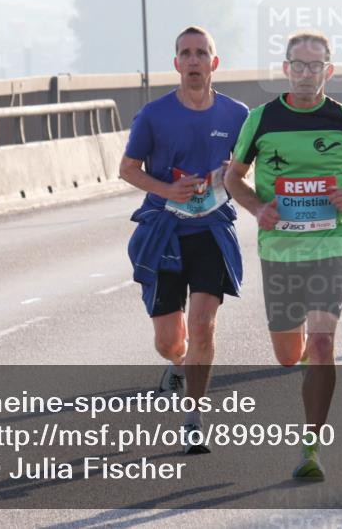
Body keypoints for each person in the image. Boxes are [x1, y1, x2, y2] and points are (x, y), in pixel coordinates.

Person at [224, 31, 342, 480]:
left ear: (329, 71)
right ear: (286, 68)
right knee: (286, 355)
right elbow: (233, 177)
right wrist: (258, 208)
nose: (307, 73)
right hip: (278, 250)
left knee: (322, 344)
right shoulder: (261, 119)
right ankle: (299, 374)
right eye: (299, 64)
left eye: (316, 66)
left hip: (329, 245)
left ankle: (310, 447)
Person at [120, 26, 249, 454]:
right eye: (185, 54)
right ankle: (178, 364)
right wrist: (166, 190)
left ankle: (194, 417)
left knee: (203, 324)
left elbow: (251, 169)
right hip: (165, 232)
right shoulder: (154, 115)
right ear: (176, 64)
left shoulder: (237, 115)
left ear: (215, 63)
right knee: (169, 340)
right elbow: (128, 168)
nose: (193, 60)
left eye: (201, 53)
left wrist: (235, 173)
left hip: (211, 228)